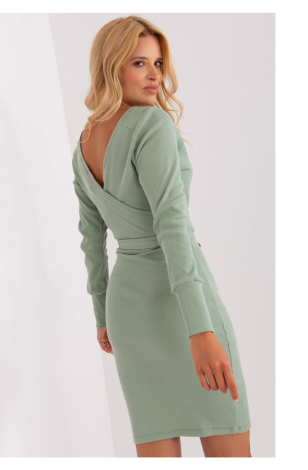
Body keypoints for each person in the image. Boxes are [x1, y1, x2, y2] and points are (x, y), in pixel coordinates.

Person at [72, 15, 252, 458]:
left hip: (128, 312)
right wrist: (201, 330)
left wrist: (102, 314)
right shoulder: (151, 124)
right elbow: (172, 226)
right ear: (112, 66)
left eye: (157, 63)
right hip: (182, 304)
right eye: (139, 63)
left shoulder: (83, 143)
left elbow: (91, 239)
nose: (155, 75)